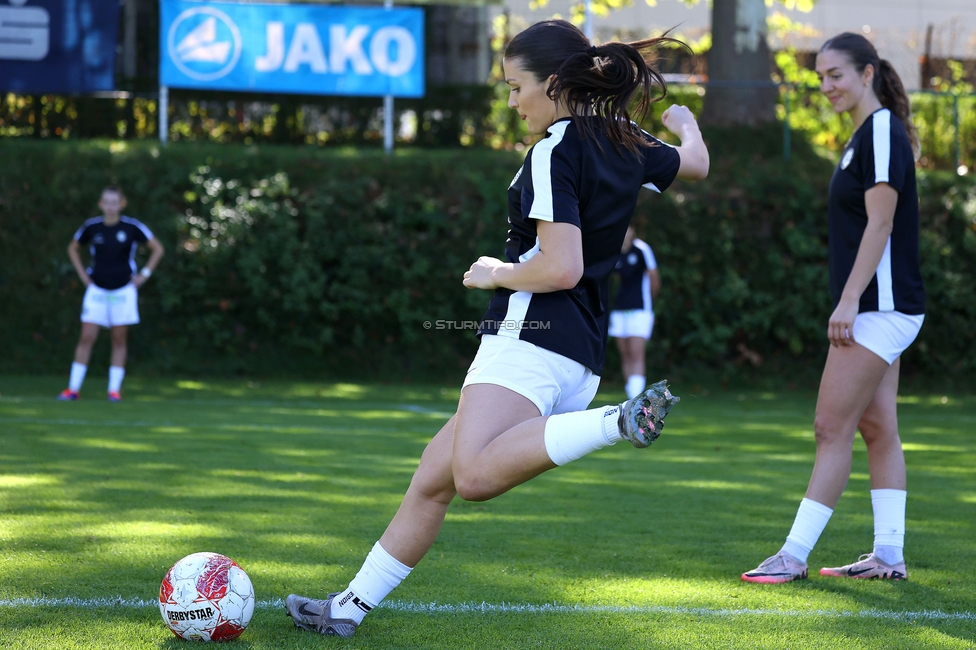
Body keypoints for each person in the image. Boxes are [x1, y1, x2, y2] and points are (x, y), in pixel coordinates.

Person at [284, 19, 709, 637]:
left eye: (516, 88)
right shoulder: (622, 139)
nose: (511, 103)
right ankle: (347, 610)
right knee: (434, 478)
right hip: (579, 356)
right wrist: (685, 125)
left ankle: (618, 421)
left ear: (557, 83)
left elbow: (561, 267)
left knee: (474, 477)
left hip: (528, 341)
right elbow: (694, 164)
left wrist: (495, 273)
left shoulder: (555, 149)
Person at [742, 32, 924, 584]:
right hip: (879, 306)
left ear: (868, 73)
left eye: (836, 75)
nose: (826, 86)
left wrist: (849, 300)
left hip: (880, 307)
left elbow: (882, 222)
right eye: (820, 77)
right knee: (877, 427)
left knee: (829, 426)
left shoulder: (883, 131)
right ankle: (888, 556)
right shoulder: (861, 138)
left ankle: (792, 555)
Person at [57, 185, 164, 402]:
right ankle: (73, 389)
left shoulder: (132, 227)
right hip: (97, 290)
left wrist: (143, 275)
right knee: (87, 337)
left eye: (115, 202)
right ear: (101, 204)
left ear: (121, 204)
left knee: (119, 338)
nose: (111, 207)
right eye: (107, 202)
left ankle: (114, 390)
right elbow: (72, 248)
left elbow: (157, 248)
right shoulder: (92, 227)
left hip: (124, 291)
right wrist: (83, 276)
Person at [610, 225, 661, 399]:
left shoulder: (642, 249)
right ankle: (631, 397)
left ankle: (637, 397)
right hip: (619, 310)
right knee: (625, 353)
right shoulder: (614, 250)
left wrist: (649, 305)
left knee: (636, 352)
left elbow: (654, 279)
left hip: (640, 310)